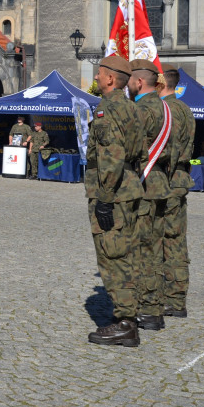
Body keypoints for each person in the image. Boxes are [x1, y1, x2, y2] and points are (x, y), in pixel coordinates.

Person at [85, 55, 146, 347]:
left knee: (113, 257)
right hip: (130, 190)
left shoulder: (107, 110)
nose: (96, 78)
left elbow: (111, 157)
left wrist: (105, 199)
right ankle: (128, 316)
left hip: (113, 194)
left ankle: (125, 323)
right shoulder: (132, 109)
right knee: (128, 254)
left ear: (110, 79)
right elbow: (141, 153)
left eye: (100, 74)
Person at [128, 59, 174, 332]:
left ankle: (145, 309)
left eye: (131, 80)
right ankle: (155, 308)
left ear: (139, 82)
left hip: (142, 183)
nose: (129, 85)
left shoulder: (141, 109)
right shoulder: (166, 108)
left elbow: (132, 149)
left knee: (140, 250)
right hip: (160, 182)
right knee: (155, 249)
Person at [159, 68, 196, 319]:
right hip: (181, 178)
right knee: (177, 240)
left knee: (163, 241)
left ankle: (168, 297)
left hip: (167, 179)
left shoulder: (167, 110)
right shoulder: (186, 110)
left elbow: (166, 150)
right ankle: (178, 296)